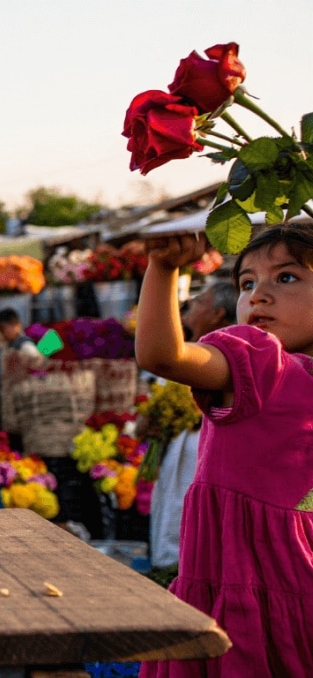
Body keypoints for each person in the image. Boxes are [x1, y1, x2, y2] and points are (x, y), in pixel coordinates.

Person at [135, 227, 313, 677]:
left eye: (286, 278)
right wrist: (163, 269)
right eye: (247, 283)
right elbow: (162, 354)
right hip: (240, 598)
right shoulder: (258, 361)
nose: (259, 296)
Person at [148, 280, 235, 578]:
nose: (190, 307)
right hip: (176, 445)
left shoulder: (219, 355)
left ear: (218, 314)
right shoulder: (188, 348)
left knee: (186, 511)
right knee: (170, 505)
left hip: (197, 448)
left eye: (200, 302)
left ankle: (178, 570)